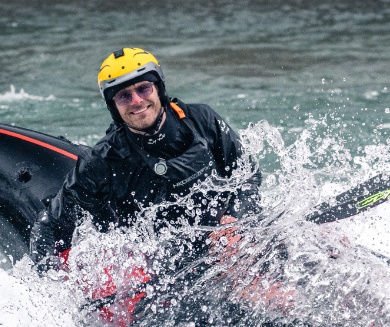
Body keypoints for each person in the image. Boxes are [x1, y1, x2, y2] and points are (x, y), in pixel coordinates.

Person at [29, 47, 261, 268]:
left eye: (143, 88)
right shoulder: (103, 160)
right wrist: (50, 279)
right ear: (113, 107)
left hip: (229, 238)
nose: (137, 101)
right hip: (169, 266)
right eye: (124, 96)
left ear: (158, 88)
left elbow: (248, 175)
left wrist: (234, 219)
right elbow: (50, 224)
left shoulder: (202, 120)